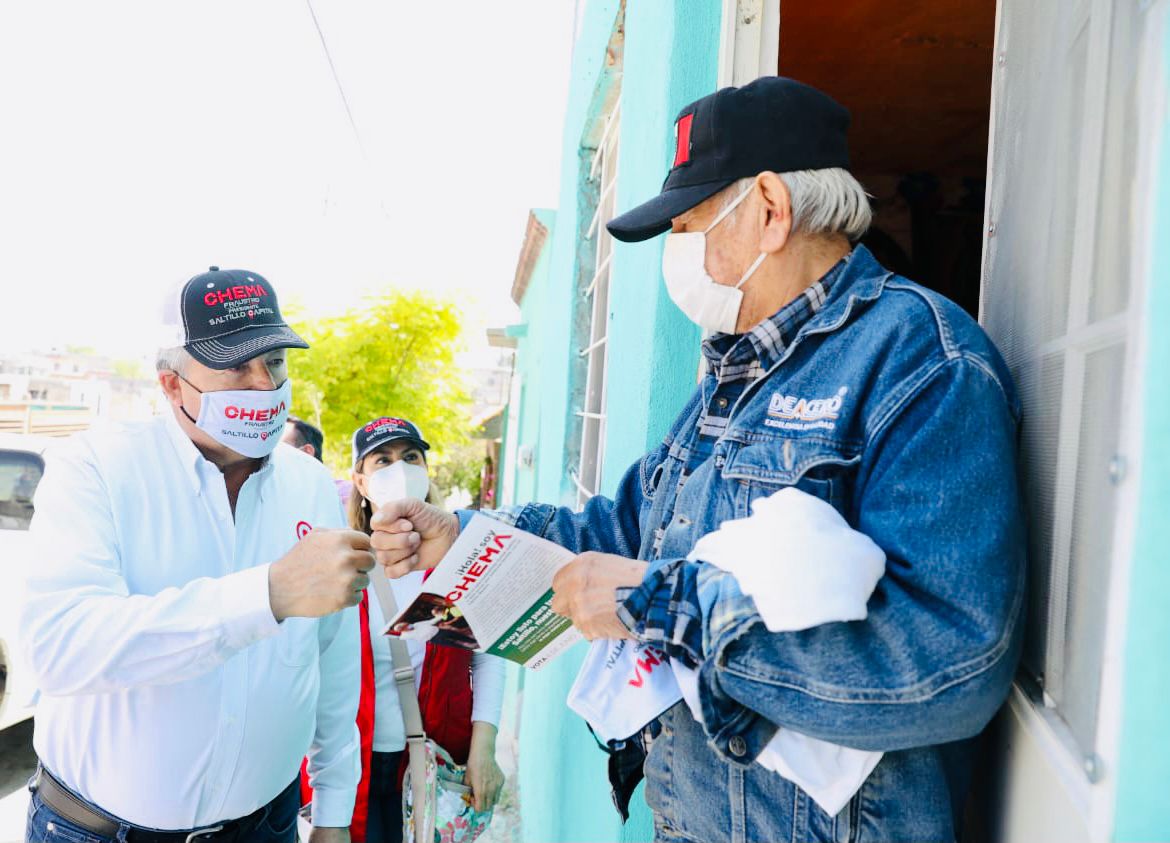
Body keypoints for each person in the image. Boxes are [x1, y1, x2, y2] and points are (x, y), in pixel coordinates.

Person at [370, 77, 1025, 843]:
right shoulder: (733, 374)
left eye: (687, 226)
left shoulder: (922, 363)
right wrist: (468, 536)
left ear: (770, 209)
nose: (676, 253)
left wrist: (663, 605)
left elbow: (949, 665)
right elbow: (627, 526)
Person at [21, 267, 369, 843]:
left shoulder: (309, 483)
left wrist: (333, 814)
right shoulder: (97, 468)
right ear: (172, 386)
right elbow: (59, 648)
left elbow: (331, 664)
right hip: (97, 831)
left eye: (274, 361)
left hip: (267, 826)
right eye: (236, 366)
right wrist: (267, 595)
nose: (264, 384)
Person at [303, 416, 504, 843]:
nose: (400, 469)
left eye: (411, 457)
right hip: (350, 763)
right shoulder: (343, 562)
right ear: (360, 481)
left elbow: (486, 656)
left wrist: (484, 747)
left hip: (434, 761)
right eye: (383, 460)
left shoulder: (456, 561)